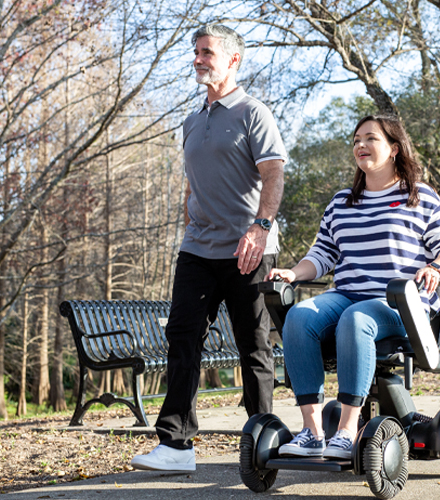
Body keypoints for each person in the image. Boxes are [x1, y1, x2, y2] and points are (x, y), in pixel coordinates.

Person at [131, 24, 287, 472]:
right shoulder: (192, 119)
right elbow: (192, 185)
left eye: (206, 52)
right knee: (181, 338)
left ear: (233, 60)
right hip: (198, 249)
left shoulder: (253, 112)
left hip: (247, 249)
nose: (198, 59)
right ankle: (176, 446)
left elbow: (273, 174)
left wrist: (260, 228)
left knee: (253, 345)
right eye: (195, 52)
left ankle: (263, 439)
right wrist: (189, 223)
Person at [267, 114, 440, 460]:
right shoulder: (342, 202)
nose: (360, 145)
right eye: (356, 140)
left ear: (394, 149)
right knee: (298, 316)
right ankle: (312, 433)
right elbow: (323, 255)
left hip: (399, 302)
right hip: (347, 295)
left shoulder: (420, 197)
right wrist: (294, 273)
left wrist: (436, 266)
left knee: (356, 318)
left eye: (370, 138)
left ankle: (346, 432)